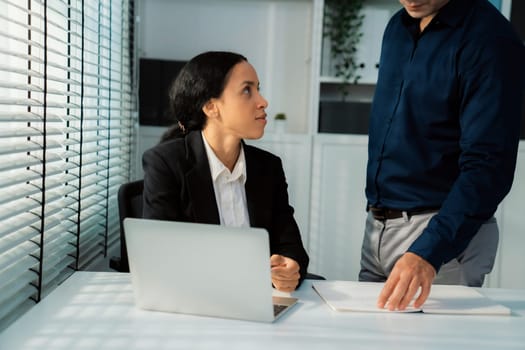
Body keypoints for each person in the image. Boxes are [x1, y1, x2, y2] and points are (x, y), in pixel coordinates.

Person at [360, 0, 525, 311]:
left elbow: (489, 165)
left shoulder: (490, 39)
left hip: (439, 237)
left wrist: (428, 252)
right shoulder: (397, 27)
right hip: (377, 228)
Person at [142, 51, 309, 292]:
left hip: (257, 302)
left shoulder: (268, 168)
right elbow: (159, 258)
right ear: (211, 106)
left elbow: (291, 247)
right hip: (196, 305)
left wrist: (290, 268)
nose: (263, 102)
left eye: (258, 89)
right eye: (247, 91)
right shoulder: (165, 163)